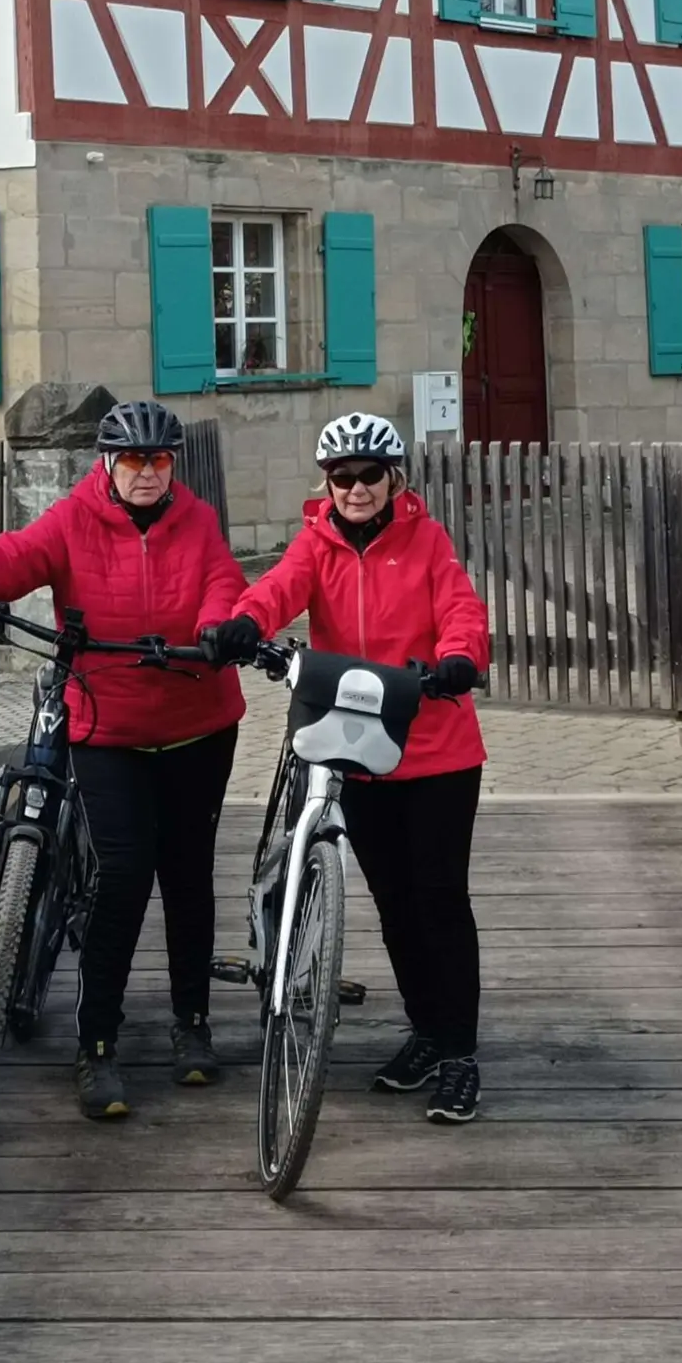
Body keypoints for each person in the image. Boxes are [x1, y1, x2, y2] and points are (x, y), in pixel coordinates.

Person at [0, 399, 245, 1122]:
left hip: (198, 721)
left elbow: (223, 582)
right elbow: (15, 557)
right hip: (107, 724)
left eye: (160, 460)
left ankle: (193, 1022)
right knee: (122, 875)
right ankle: (97, 1042)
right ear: (108, 464)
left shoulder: (199, 520)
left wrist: (221, 627)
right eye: (134, 460)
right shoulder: (74, 518)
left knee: (187, 873)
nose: (149, 473)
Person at [202, 412, 489, 1123]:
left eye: (369, 475)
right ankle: (425, 1031)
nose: (355, 489)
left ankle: (459, 1053)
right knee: (394, 903)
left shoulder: (427, 540)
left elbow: (462, 608)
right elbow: (277, 589)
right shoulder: (317, 542)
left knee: (439, 899)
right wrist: (246, 621)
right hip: (356, 747)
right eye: (342, 476)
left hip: (434, 747)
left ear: (395, 478)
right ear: (326, 483)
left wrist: (459, 659)